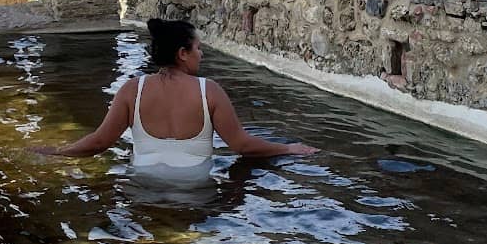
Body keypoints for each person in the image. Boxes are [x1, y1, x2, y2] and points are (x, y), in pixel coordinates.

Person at [35, 18, 317, 173]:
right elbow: (242, 145)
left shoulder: (132, 90)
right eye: (197, 48)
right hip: (194, 190)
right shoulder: (210, 91)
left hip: (143, 185)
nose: (201, 53)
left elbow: (98, 142)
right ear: (183, 54)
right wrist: (289, 148)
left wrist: (58, 152)